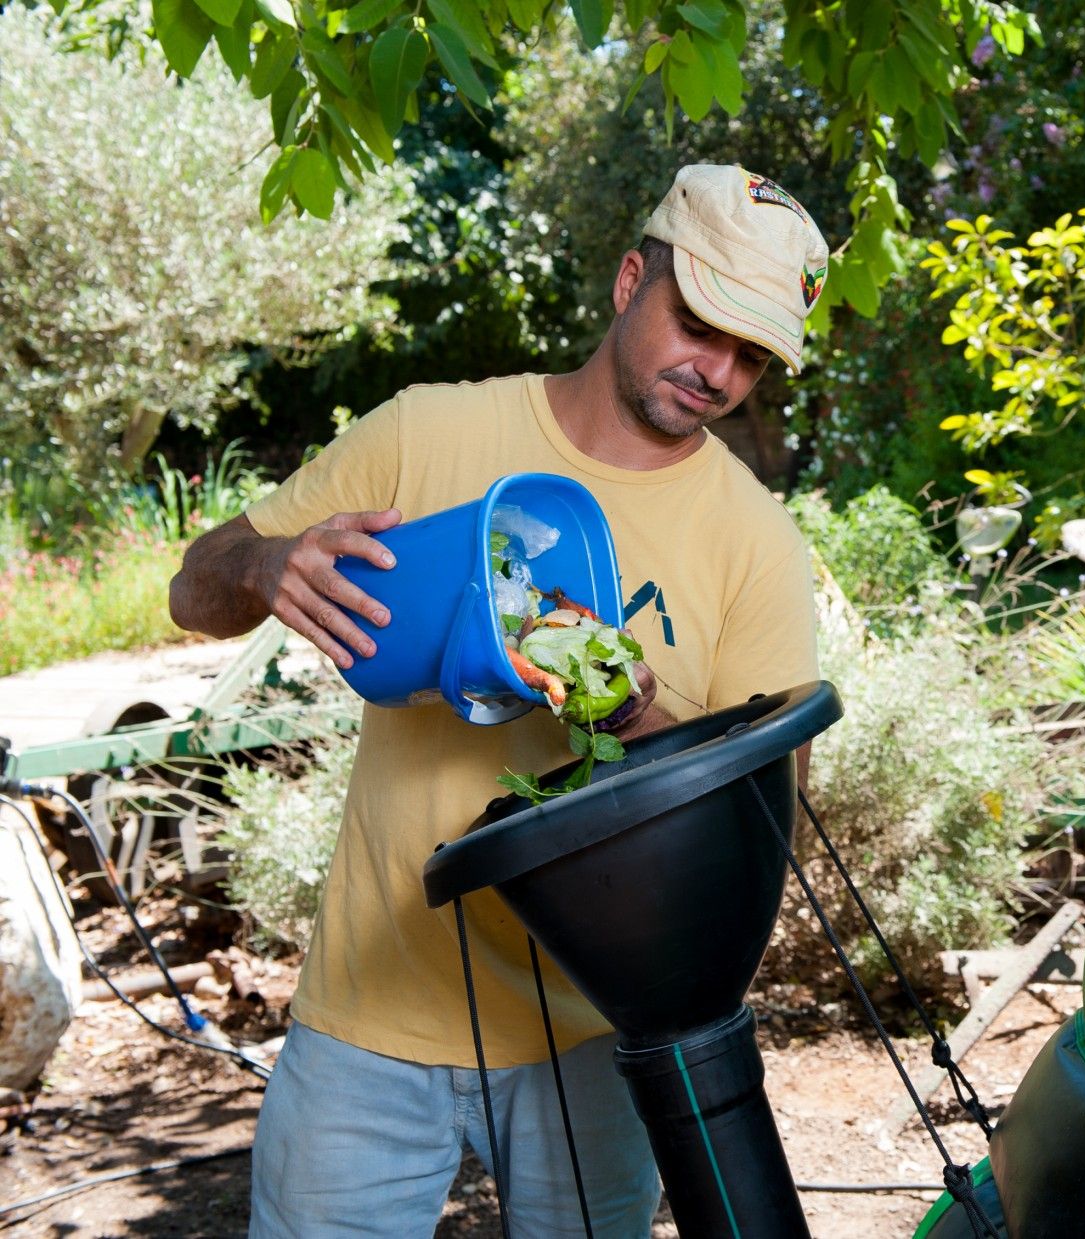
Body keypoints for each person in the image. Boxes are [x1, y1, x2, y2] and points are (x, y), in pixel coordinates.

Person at [168, 164, 829, 1236]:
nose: (716, 371)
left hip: (599, 1032)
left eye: (750, 354)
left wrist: (628, 717)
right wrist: (263, 567)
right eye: (699, 323)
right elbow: (193, 589)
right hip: (367, 1016)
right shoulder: (427, 433)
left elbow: (768, 807)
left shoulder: (756, 540)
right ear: (629, 281)